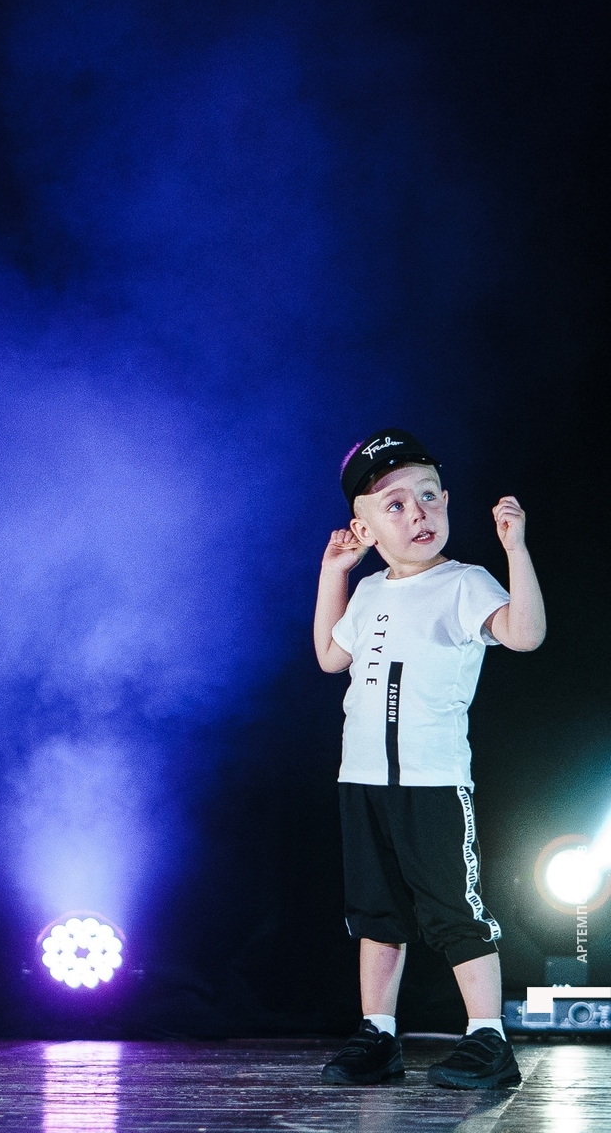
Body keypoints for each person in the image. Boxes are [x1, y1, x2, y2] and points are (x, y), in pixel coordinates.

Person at [314, 428, 546, 1089]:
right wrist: (335, 573)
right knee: (376, 912)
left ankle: (488, 1037)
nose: (418, 513)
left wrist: (515, 549)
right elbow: (330, 656)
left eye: (429, 496)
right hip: (363, 780)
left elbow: (525, 634)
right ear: (364, 528)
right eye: (395, 505)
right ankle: (378, 1034)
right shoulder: (369, 592)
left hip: (431, 781)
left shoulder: (463, 582)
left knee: (453, 910)